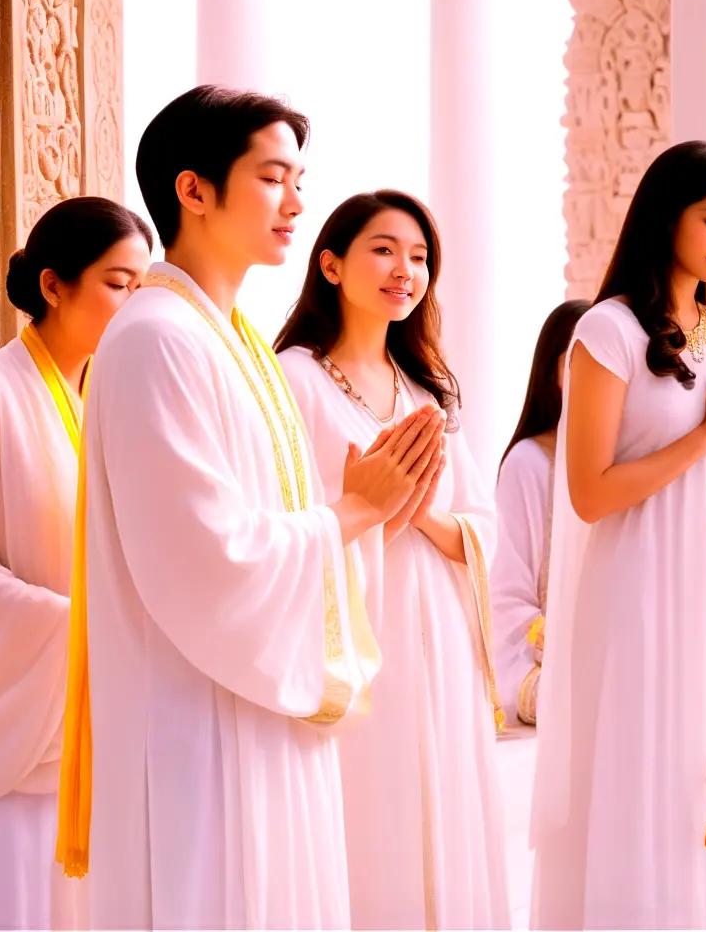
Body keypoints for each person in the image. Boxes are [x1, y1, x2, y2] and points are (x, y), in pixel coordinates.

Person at [58, 89, 444, 929]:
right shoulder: (158, 338)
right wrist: (352, 512)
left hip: (259, 705)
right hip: (197, 721)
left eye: (299, 180)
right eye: (273, 179)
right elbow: (203, 553)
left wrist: (369, 511)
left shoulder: (231, 340)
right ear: (193, 191)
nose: (298, 204)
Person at [529, 141, 706, 930]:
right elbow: (589, 494)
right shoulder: (606, 332)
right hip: (635, 588)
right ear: (665, 214)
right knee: (643, 764)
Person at [0, 196, 152, 930]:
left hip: (88, 715)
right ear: (54, 285)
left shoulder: (101, 404)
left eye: (144, 289)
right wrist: (86, 628)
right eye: (118, 284)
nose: (135, 307)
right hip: (11, 724)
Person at [275, 189, 510, 930]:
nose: (404, 269)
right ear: (332, 265)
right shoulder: (295, 381)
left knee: (443, 796)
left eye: (418, 257)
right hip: (355, 629)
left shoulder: (427, 390)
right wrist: (369, 507)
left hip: (437, 629)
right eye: (383, 249)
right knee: (370, 803)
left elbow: (479, 526)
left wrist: (414, 511)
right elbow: (287, 517)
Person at [491, 299, 589, 726]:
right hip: (542, 659)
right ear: (553, 370)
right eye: (580, 363)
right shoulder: (529, 463)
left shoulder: (630, 460)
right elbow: (508, 597)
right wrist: (563, 639)